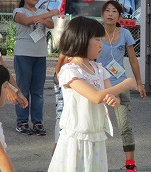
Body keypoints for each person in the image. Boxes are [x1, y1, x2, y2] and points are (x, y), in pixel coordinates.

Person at [48, 16, 136, 172]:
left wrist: (113, 99)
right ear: (81, 40)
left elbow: (111, 97)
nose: (101, 44)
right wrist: (125, 84)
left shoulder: (99, 69)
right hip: (76, 138)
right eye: (97, 40)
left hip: (96, 135)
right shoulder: (69, 71)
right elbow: (96, 96)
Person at [97, 0, 146, 172]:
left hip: (120, 85)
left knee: (124, 126)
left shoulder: (125, 33)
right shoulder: (94, 33)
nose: (110, 14)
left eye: (114, 11)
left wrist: (139, 82)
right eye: (107, 11)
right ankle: (95, 162)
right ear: (102, 14)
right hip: (98, 86)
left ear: (119, 16)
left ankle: (130, 165)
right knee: (95, 126)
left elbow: (132, 59)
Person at [13, 0, 59, 136]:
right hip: (23, 54)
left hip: (40, 55)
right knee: (23, 89)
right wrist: (49, 13)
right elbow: (26, 21)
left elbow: (51, 24)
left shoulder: (41, 10)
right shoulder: (18, 11)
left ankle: (37, 122)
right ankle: (22, 121)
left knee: (38, 91)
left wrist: (44, 17)